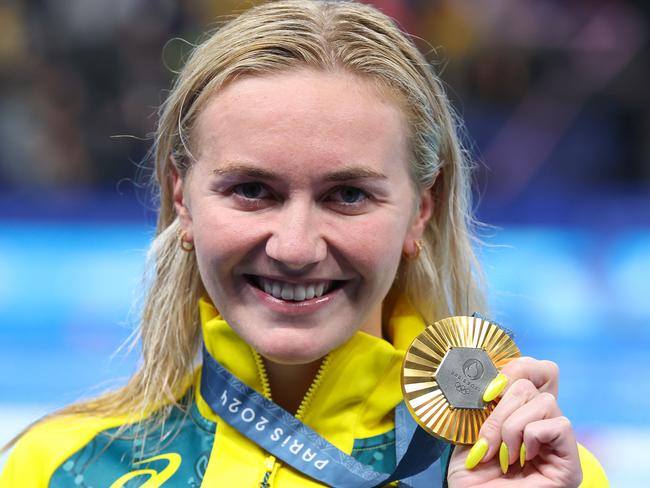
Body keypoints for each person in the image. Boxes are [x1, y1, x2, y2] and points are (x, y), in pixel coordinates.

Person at [0, 0, 609, 486]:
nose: (295, 248)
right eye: (252, 190)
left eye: (347, 196)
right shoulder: (59, 468)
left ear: (421, 211)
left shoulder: (534, 471)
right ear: (182, 199)